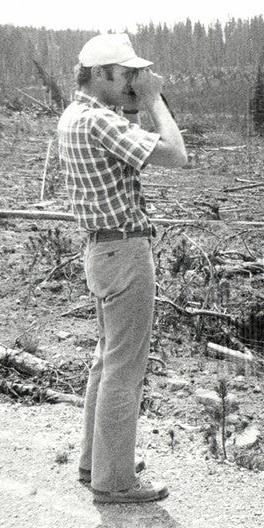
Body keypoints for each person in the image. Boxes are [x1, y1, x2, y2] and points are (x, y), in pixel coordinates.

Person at [57, 32, 187, 503]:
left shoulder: (76, 116)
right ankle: (114, 482)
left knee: (106, 361)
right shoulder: (100, 123)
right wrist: (155, 102)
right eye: (126, 73)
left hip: (101, 251)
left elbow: (119, 141)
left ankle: (97, 463)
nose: (134, 80)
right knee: (124, 371)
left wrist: (131, 99)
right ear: (100, 74)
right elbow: (177, 156)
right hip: (125, 251)